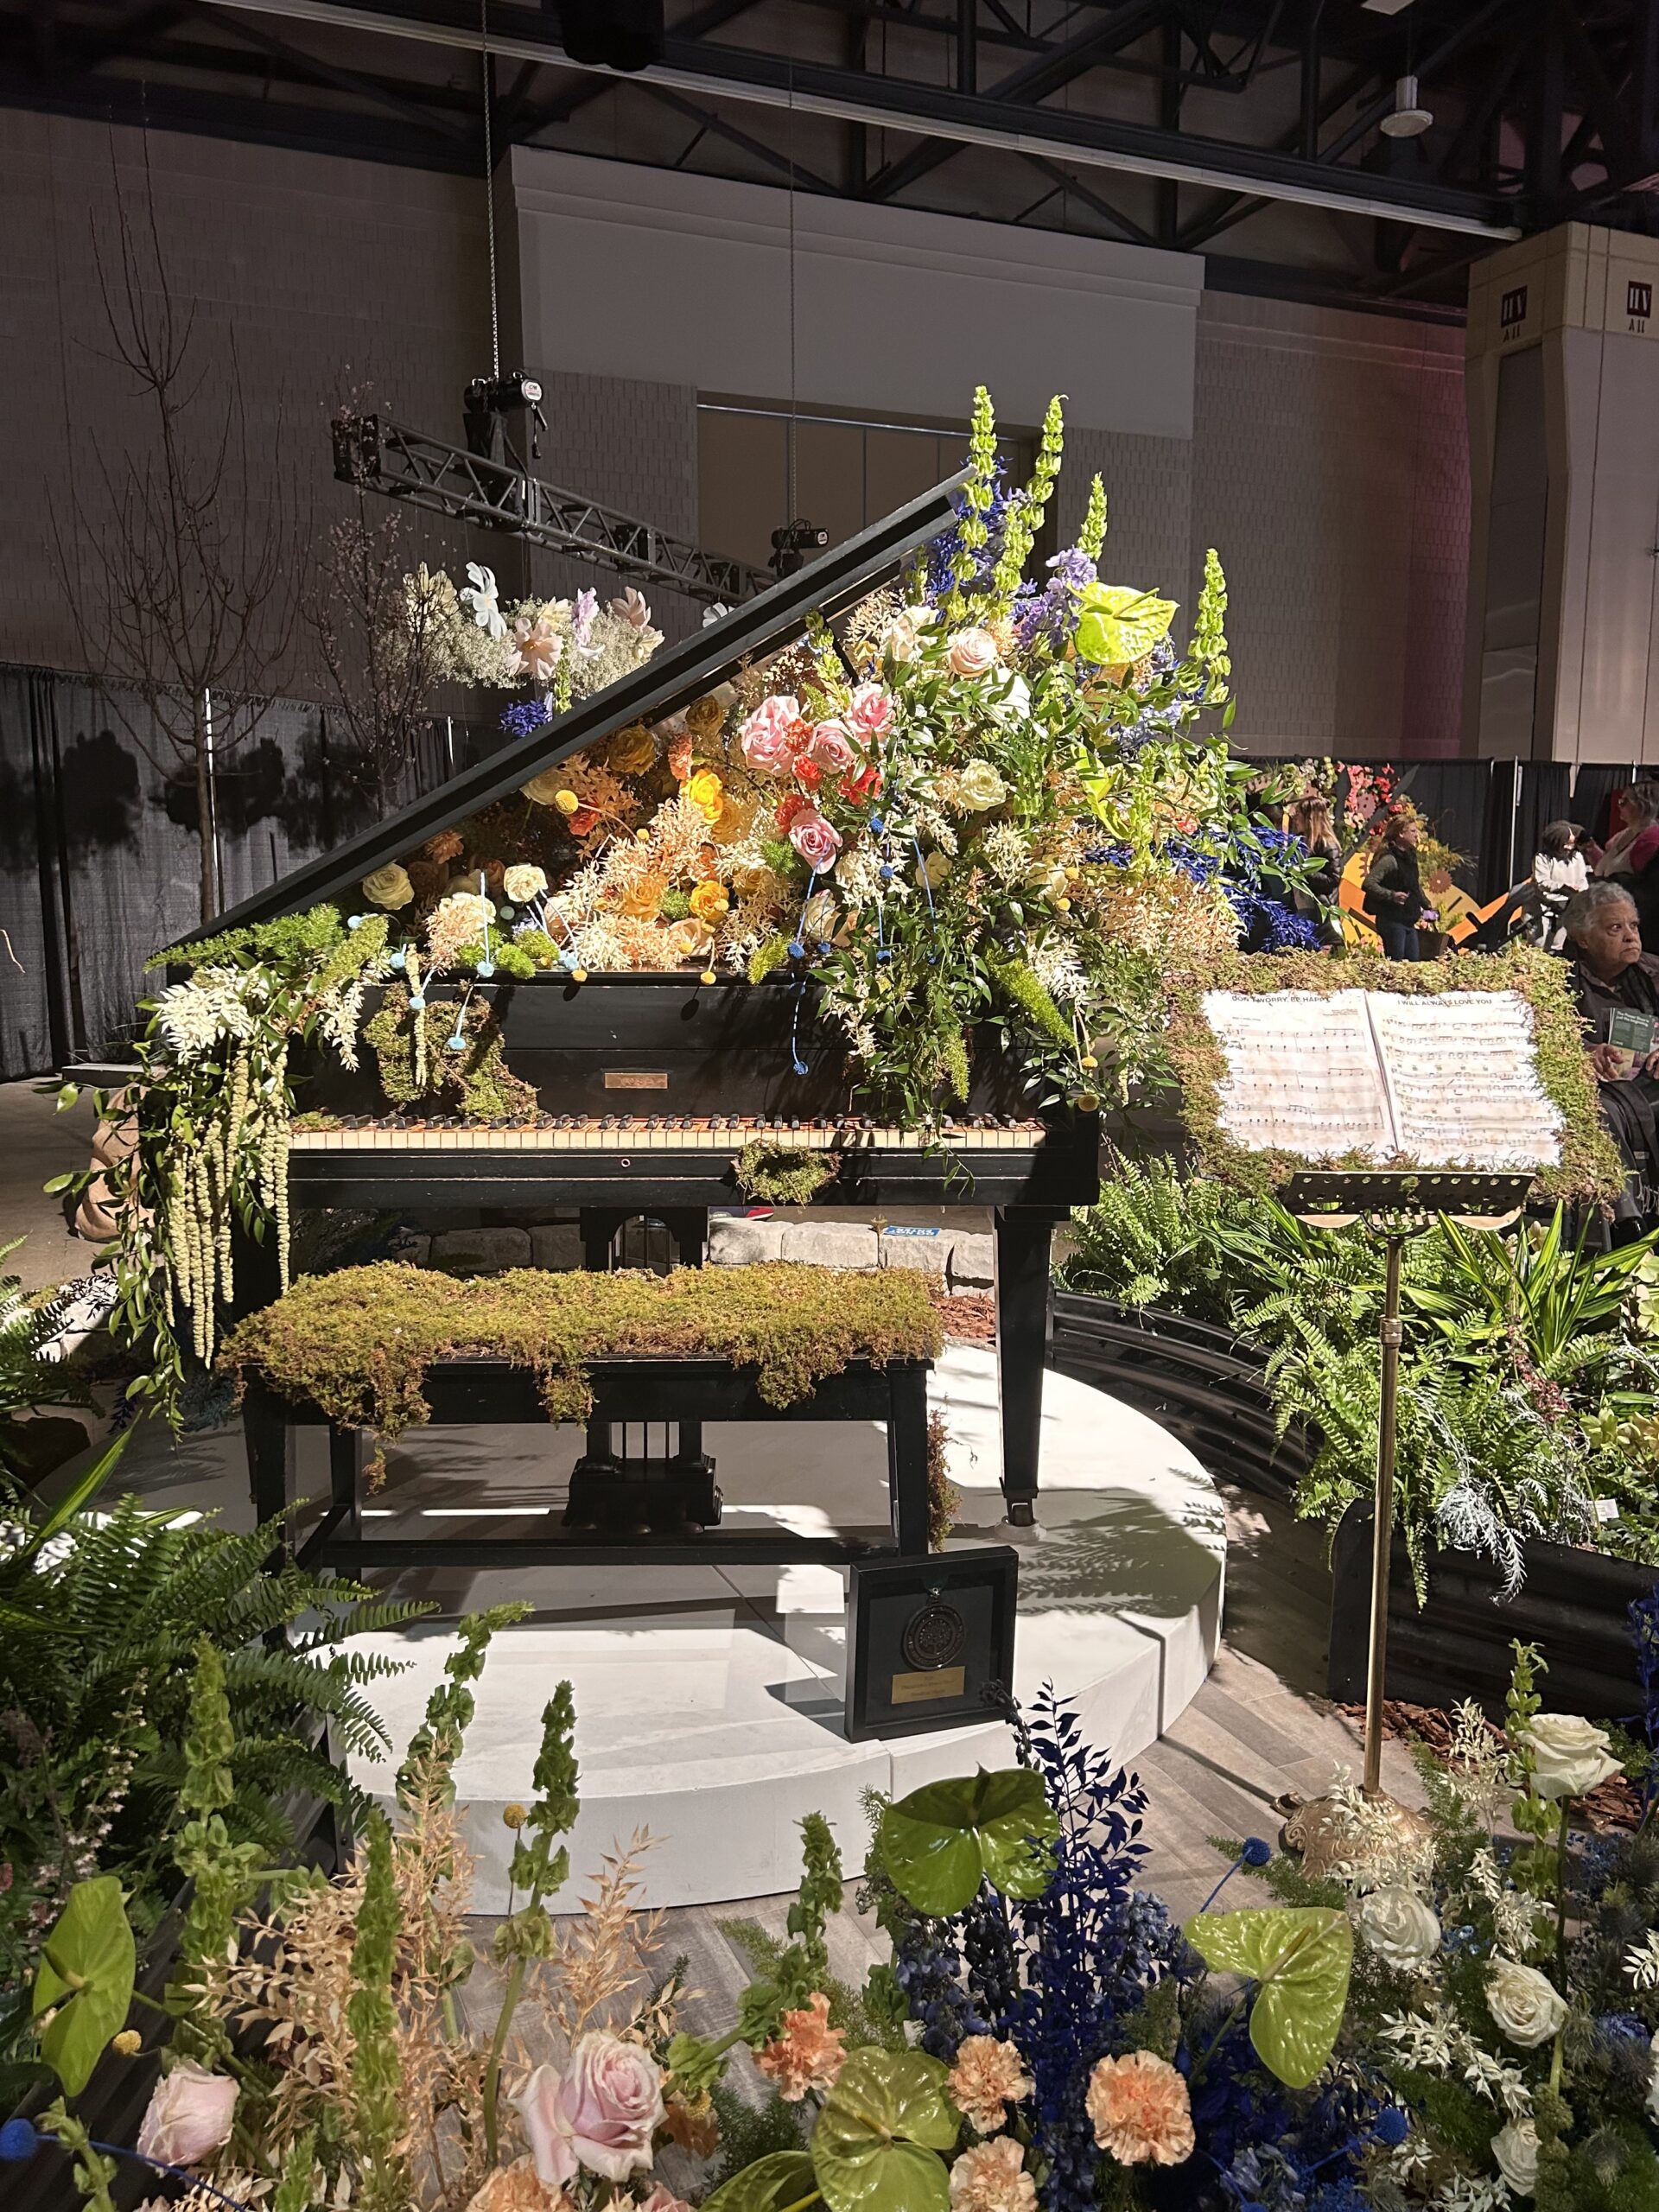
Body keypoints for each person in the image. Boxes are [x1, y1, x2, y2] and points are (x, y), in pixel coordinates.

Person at [1564, 880, 1659, 1227]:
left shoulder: (1652, 973)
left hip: (1648, 1082)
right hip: (1593, 1088)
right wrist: (1585, 1054)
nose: (1631, 936)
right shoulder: (1558, 978)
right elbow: (1536, 1039)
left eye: (1633, 925)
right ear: (1583, 937)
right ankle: (1626, 1222)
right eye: (1615, 928)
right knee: (1602, 1111)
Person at [1363, 809, 1437, 961]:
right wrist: (1391, 895)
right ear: (1401, 834)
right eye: (1413, 831)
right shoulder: (1390, 859)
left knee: (1413, 962)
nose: (1417, 835)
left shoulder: (1410, 858)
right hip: (1392, 920)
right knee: (1397, 962)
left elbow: (1414, 886)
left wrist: (1427, 906)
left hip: (1408, 921)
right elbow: (1369, 883)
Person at [1287, 796, 1344, 949]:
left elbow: (1333, 879)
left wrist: (1303, 871)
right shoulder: (1300, 842)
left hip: (1322, 912)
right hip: (1303, 908)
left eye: (1298, 813)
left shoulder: (1327, 844)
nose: (1295, 817)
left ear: (1309, 818)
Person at [1532, 820, 1591, 952]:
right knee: (1538, 946)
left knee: (1557, 947)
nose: (1569, 847)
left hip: (1566, 908)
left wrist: (1580, 890)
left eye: (1571, 843)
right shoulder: (1542, 858)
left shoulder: (1577, 857)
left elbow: (1582, 880)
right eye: (1566, 844)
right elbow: (1542, 882)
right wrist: (1563, 886)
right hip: (1543, 908)